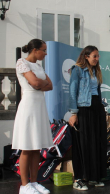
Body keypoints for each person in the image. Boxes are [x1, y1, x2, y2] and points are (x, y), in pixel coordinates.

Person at [12, 39, 53, 194]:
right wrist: (40, 83)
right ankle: (24, 185)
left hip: (40, 107)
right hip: (28, 107)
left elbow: (50, 85)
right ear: (35, 50)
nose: (46, 53)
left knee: (36, 147)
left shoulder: (38, 66)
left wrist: (38, 82)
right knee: (27, 147)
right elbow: (35, 83)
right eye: (44, 50)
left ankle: (34, 182)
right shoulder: (22, 63)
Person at [68, 46, 107, 190]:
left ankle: (94, 177)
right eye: (94, 56)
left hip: (97, 108)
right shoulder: (77, 69)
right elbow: (73, 92)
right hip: (84, 109)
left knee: (97, 143)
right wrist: (74, 113)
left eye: (98, 56)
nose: (97, 59)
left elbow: (96, 92)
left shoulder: (96, 71)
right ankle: (79, 179)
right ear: (86, 56)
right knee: (82, 144)